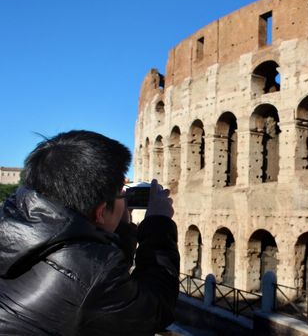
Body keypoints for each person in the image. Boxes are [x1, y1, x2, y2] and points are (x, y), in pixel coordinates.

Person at [0, 130, 180, 336]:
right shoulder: (92, 275)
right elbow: (154, 311)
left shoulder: (11, 222)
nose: (125, 197)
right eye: (121, 193)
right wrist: (159, 225)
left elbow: (91, 263)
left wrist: (120, 228)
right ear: (101, 211)